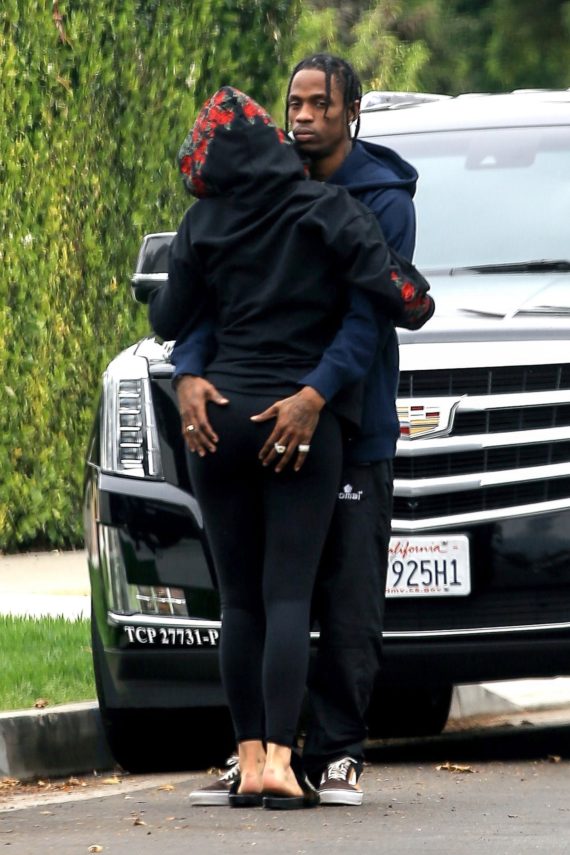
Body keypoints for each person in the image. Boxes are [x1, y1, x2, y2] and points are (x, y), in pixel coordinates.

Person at [149, 85, 413, 810]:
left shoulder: (204, 222)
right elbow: (399, 299)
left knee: (239, 602)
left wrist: (187, 360)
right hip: (297, 421)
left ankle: (245, 759)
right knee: (289, 593)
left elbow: (171, 316)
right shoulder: (330, 212)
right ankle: (281, 763)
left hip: (218, 419)